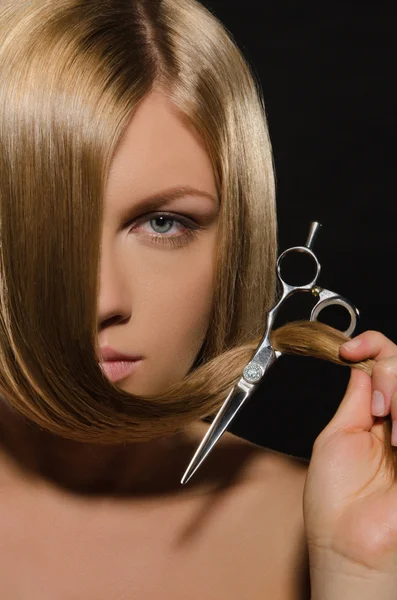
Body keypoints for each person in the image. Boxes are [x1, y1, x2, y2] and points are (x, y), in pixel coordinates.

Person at [1, 0, 397, 598]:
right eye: (41, 220)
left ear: (236, 241)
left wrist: (362, 575)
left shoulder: (338, 528)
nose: (103, 297)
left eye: (162, 223)